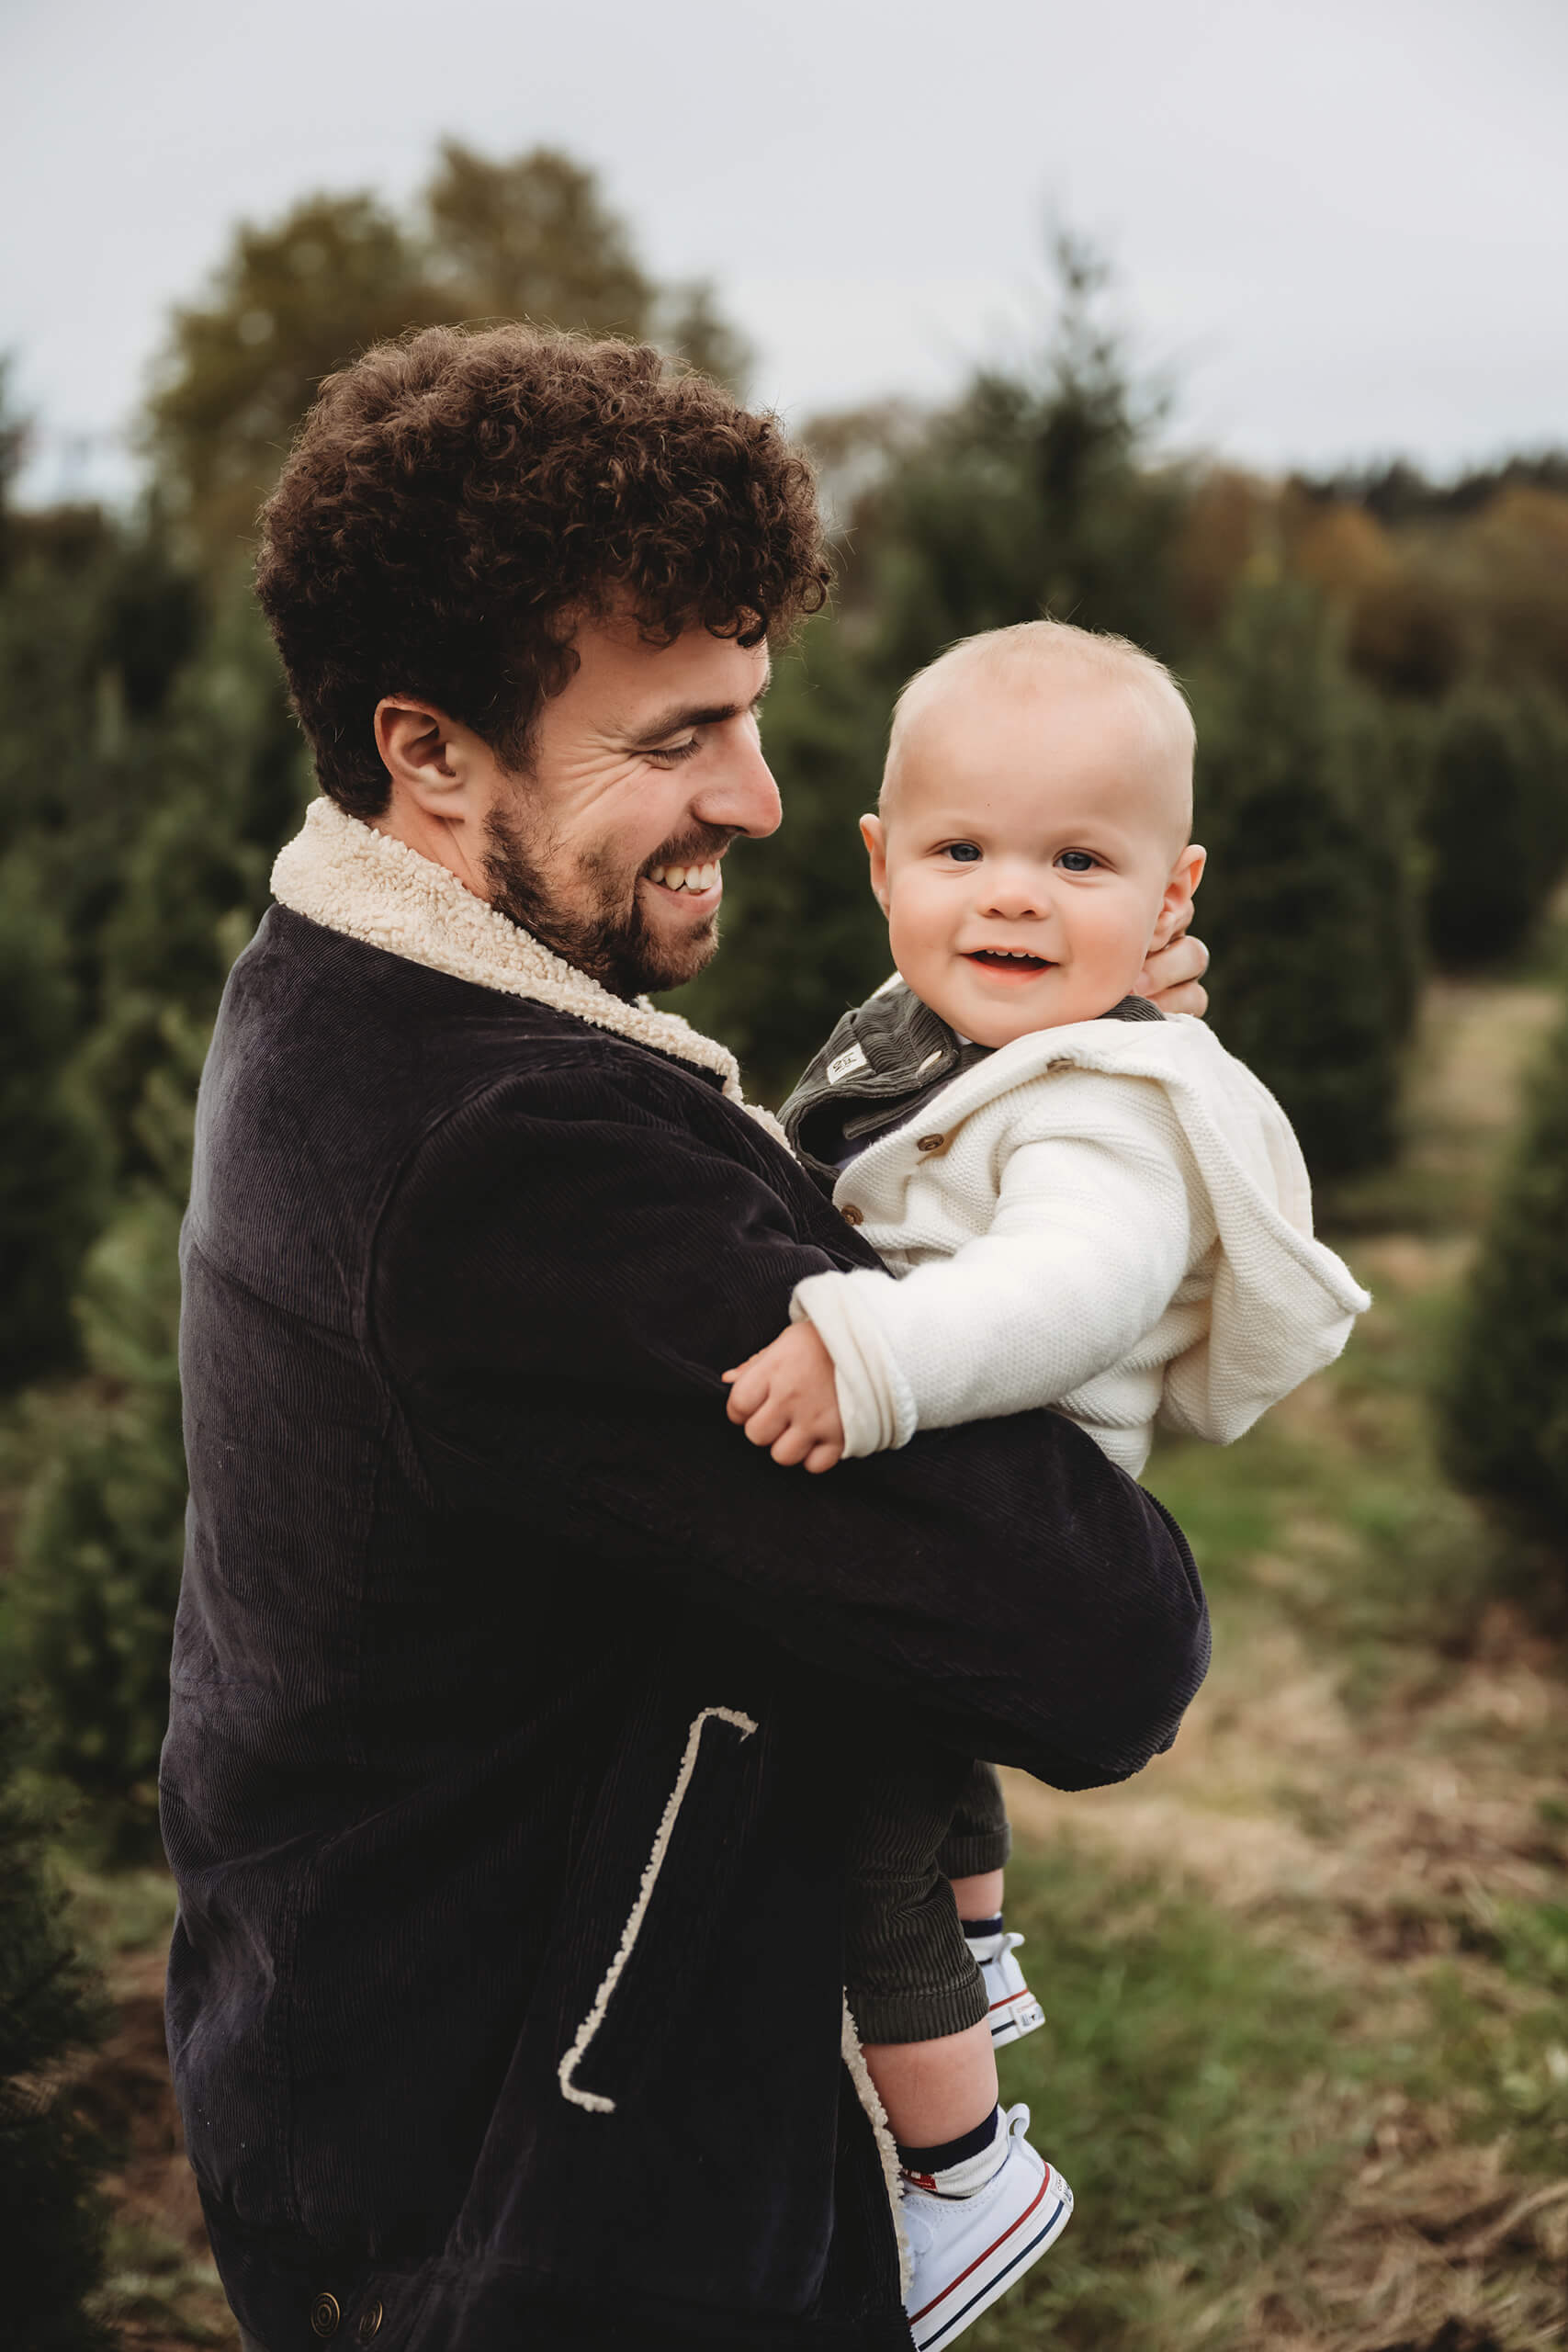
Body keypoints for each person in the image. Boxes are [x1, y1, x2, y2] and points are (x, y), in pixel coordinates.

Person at [162, 328, 1213, 2352]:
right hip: (553, 2215)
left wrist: (1045, 1035)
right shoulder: (512, 1164)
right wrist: (1100, 1132)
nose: (758, 788)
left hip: (390, 2098)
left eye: (752, 708)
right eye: (673, 738)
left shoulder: (338, 985)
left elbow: (728, 1170)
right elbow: (1098, 1642)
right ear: (430, 749)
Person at [725, 619, 1371, 2346]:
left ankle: (961, 2177)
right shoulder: (969, 1027)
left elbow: (1064, 1291)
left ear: (1171, 890)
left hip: (980, 1484)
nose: (1009, 900)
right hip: (954, 1492)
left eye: (1077, 861)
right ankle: (987, 1938)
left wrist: (874, 1356)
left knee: (861, 1845)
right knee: (917, 1777)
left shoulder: (1101, 1106)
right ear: (881, 864)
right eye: (961, 853)